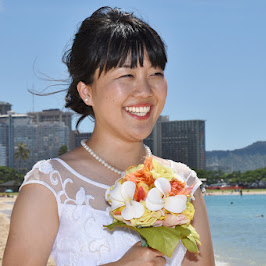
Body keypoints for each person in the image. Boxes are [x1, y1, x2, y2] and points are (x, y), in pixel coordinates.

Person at [3, 6, 215, 266]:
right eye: (126, 75)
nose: (145, 91)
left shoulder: (183, 184)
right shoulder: (49, 185)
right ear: (86, 92)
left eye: (156, 74)